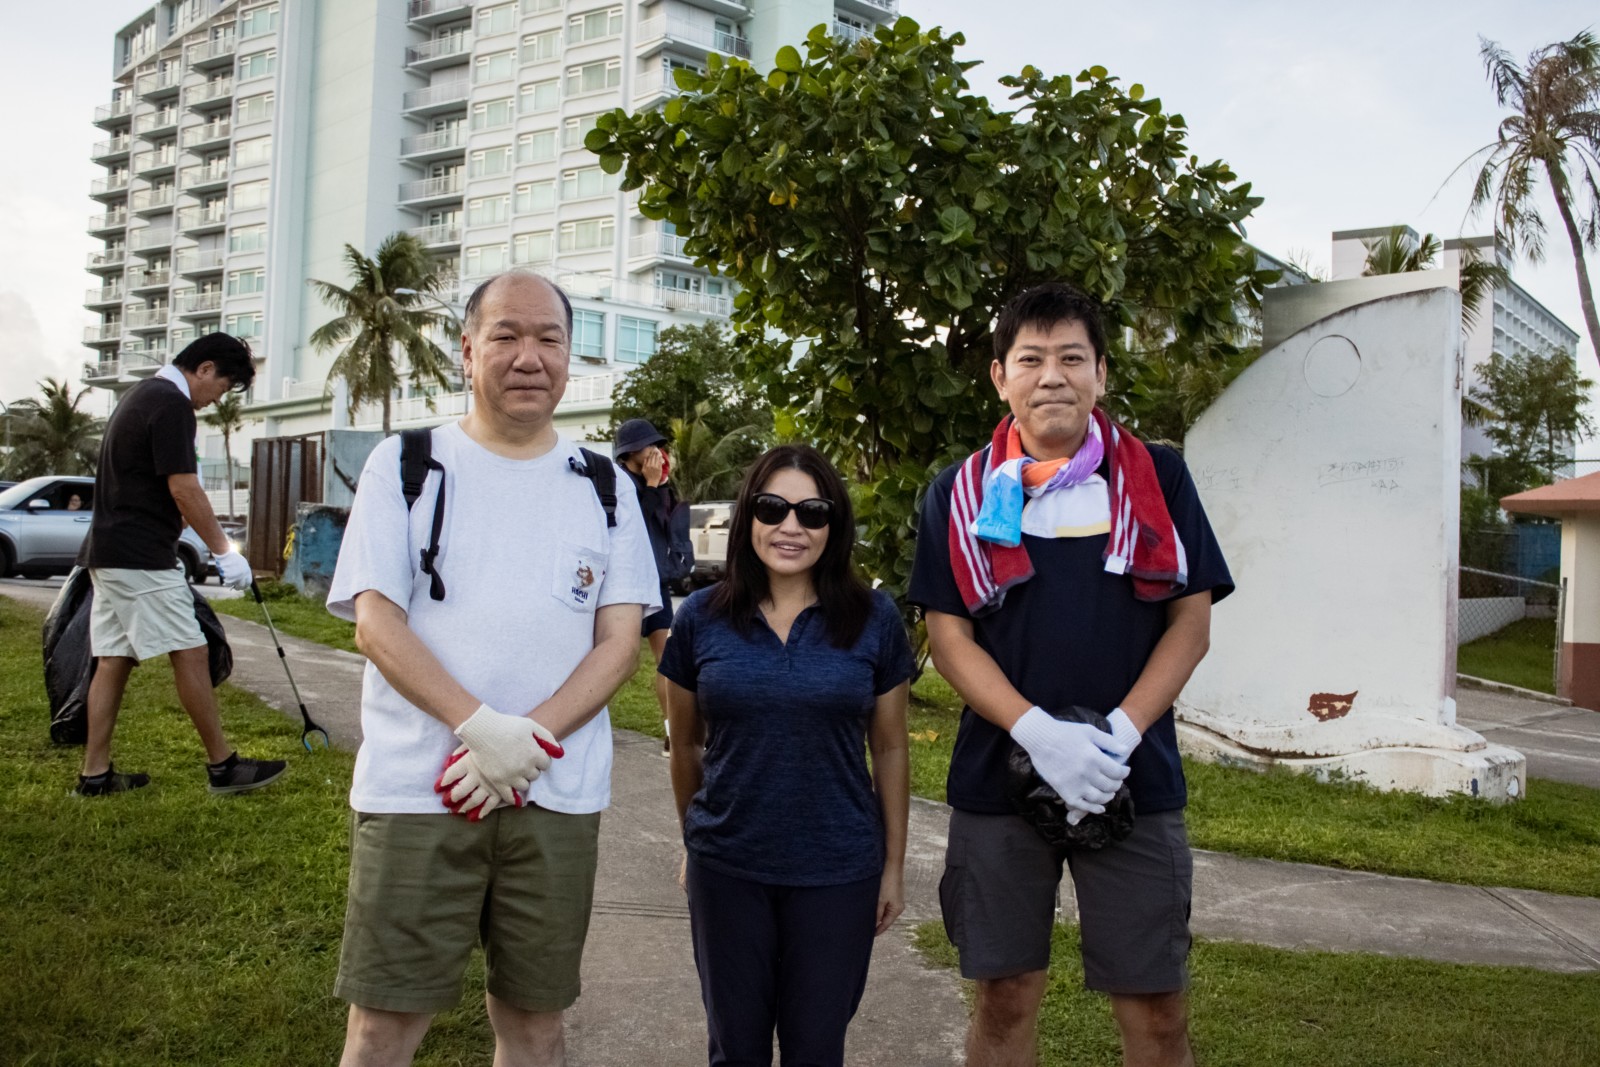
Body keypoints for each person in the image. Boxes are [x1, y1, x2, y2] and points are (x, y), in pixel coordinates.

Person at [325, 270, 660, 1067]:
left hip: (556, 794)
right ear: (468, 350)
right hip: (421, 789)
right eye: (506, 335)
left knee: (536, 1024)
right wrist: (480, 730)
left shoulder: (607, 486)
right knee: (382, 1026)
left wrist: (524, 743)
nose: (528, 356)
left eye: (549, 339)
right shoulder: (406, 464)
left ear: (570, 357)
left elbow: (619, 642)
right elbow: (376, 623)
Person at [907, 282, 1233, 1067]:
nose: (1052, 376)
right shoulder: (957, 493)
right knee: (1004, 995)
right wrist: (1039, 733)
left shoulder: (1158, 479)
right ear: (1000, 377)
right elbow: (949, 638)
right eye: (1031, 359)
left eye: (1071, 358)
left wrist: (1118, 734)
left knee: (1156, 1008)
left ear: (1101, 372)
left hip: (1133, 774)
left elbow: (1190, 625)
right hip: (997, 778)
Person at [659, 443, 913, 1067]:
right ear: (749, 516)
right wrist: (695, 841)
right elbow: (684, 742)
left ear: (834, 525)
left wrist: (892, 866)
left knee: (816, 1050)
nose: (791, 527)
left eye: (812, 512)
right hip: (728, 868)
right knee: (736, 1049)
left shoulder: (874, 618)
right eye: (773, 508)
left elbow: (889, 747)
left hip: (839, 871)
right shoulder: (701, 618)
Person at [77, 333, 280, 798]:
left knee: (114, 658)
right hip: (140, 556)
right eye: (222, 387)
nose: (216, 400)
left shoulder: (142, 394)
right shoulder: (171, 403)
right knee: (190, 650)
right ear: (204, 369)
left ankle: (95, 775)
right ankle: (223, 767)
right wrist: (224, 551)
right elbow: (184, 488)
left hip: (110, 551)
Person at [613, 416, 686, 753]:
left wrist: (660, 485)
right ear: (630, 452)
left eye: (658, 445)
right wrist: (653, 487)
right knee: (617, 659)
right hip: (624, 584)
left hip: (655, 581)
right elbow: (632, 528)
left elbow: (663, 527)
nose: (656, 451)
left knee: (668, 659)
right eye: (649, 446)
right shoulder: (619, 483)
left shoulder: (655, 482)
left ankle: (672, 732)